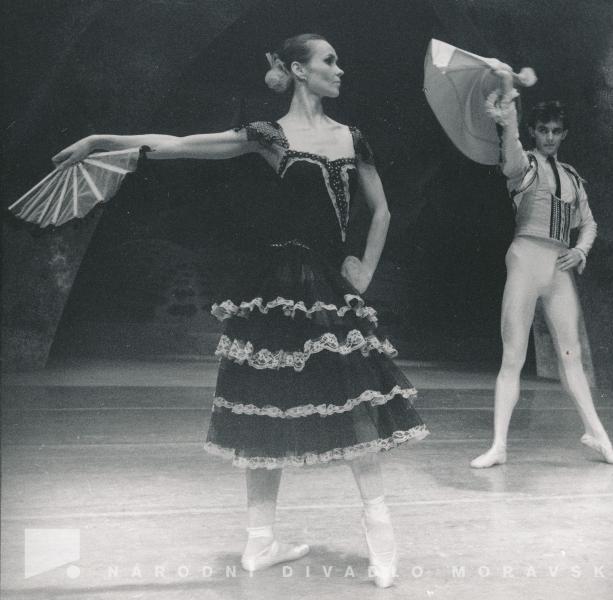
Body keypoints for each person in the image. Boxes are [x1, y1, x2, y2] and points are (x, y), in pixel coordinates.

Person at [53, 33, 428, 588]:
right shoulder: (269, 135)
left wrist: (366, 269)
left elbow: (383, 211)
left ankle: (380, 535)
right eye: (329, 60)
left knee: (356, 400)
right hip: (274, 287)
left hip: (325, 286)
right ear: (298, 70)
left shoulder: (352, 138)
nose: (339, 69)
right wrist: (102, 139)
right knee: (262, 404)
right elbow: (180, 144)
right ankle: (259, 542)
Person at [469, 70, 613, 469]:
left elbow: (589, 222)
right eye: (543, 130)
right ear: (534, 132)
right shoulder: (524, 166)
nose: (550, 137)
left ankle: (598, 435)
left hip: (557, 269)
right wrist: (508, 109)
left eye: (556, 131)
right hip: (525, 260)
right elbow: (511, 151)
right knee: (513, 356)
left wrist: (581, 250)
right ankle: (499, 445)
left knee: (572, 355)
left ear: (563, 134)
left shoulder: (572, 177)